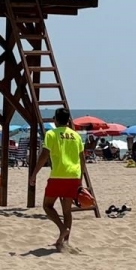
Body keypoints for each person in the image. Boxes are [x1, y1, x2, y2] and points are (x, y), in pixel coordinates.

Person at [29, 107, 86, 252]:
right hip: (74, 175)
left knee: (47, 206)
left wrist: (34, 173)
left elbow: (44, 155)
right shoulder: (76, 136)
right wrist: (80, 179)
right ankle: (64, 243)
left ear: (55, 119)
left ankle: (62, 229)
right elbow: (82, 159)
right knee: (67, 211)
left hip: (59, 175)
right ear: (68, 121)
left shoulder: (51, 134)